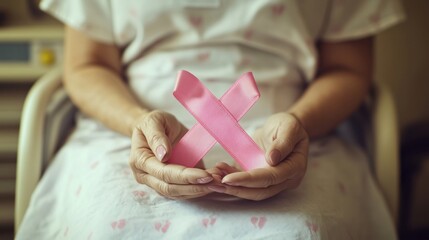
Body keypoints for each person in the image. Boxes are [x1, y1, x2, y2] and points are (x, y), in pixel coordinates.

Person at [17, 0, 405, 239]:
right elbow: (87, 64)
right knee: (105, 229)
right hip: (130, 124)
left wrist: (297, 120)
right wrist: (139, 121)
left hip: (297, 129)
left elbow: (347, 68)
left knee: (298, 231)